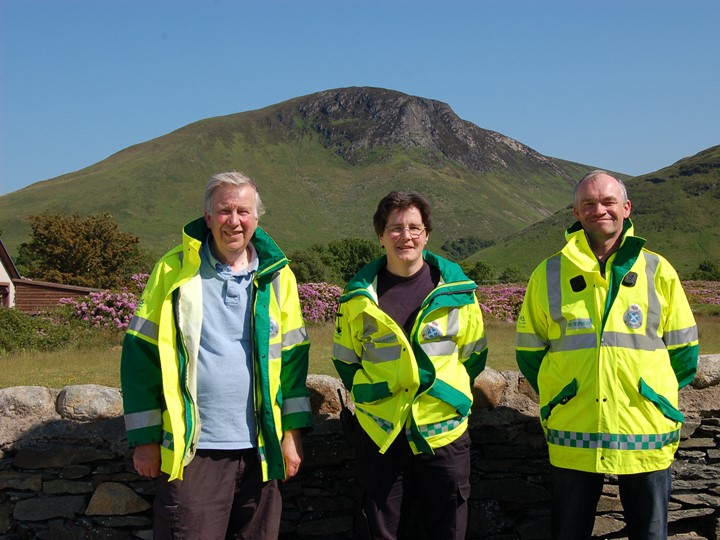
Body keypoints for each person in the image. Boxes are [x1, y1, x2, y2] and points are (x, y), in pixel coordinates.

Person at [121, 171, 312, 539]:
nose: (234, 221)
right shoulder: (173, 270)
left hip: (261, 447)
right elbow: (139, 355)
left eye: (244, 211)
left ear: (256, 219)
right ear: (208, 217)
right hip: (196, 450)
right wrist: (144, 438)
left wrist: (291, 435)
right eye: (225, 211)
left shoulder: (279, 276)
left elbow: (293, 361)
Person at [515, 170, 699, 540]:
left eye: (608, 202)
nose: (600, 209)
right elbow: (529, 354)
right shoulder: (548, 273)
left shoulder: (658, 270)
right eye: (589, 204)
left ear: (626, 208)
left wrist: (651, 397)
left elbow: (684, 354)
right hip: (574, 431)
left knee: (649, 535)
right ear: (576, 212)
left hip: (644, 431)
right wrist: (565, 393)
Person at [332, 190, 488, 540]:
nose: (406, 236)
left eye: (415, 228)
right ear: (381, 235)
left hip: (443, 431)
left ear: (427, 234)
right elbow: (345, 360)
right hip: (381, 432)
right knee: (379, 530)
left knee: (448, 528)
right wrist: (375, 398)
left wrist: (447, 397)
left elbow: (474, 356)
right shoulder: (357, 298)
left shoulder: (459, 293)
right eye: (396, 228)